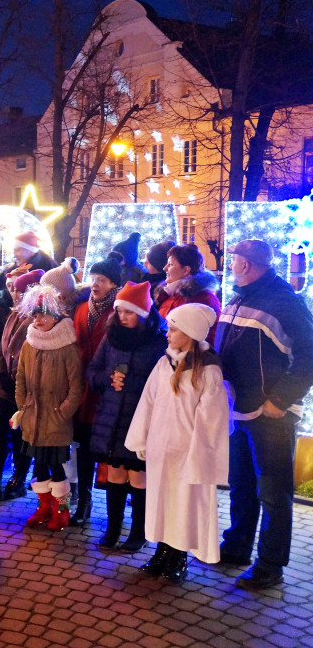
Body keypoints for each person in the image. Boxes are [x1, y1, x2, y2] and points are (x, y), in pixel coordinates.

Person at [217, 239, 313, 590]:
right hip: (240, 410)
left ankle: (270, 565)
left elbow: (309, 355)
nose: (230, 264)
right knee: (241, 484)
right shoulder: (239, 296)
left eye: (234, 259)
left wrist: (280, 400)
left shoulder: (285, 302)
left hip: (271, 415)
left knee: (273, 492)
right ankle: (237, 547)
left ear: (247, 264)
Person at [125, 304, 229, 584]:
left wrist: (199, 457)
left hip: (187, 453)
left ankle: (178, 555)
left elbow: (211, 421)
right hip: (162, 449)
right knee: (161, 502)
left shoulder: (207, 371)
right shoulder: (164, 363)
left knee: (184, 505)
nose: (167, 334)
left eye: (173, 329)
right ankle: (161, 551)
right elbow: (149, 401)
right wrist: (142, 436)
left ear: (191, 333)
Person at [87, 282, 167, 552]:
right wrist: (108, 379)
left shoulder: (158, 341)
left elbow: (163, 383)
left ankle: (138, 531)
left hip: (141, 418)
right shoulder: (112, 337)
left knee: (138, 476)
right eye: (119, 311)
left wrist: (133, 381)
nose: (122, 316)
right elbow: (93, 371)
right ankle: (113, 527)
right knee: (115, 474)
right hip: (112, 416)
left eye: (128, 312)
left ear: (143, 313)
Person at [15, 285, 83, 532]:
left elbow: (76, 387)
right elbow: (20, 377)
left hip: (55, 421)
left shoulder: (67, 348)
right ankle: (44, 507)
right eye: (35, 315)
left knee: (56, 467)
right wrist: (22, 405)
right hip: (33, 418)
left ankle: (62, 510)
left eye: (44, 315)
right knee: (39, 465)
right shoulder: (29, 344)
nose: (39, 320)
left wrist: (62, 413)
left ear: (56, 316)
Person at [0, 268, 42, 503]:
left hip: (24, 388)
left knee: (20, 435)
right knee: (0, 432)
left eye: (19, 290)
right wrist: (1, 374)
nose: (13, 293)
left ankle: (18, 480)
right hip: (6, 387)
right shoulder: (13, 315)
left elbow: (31, 354)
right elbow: (2, 350)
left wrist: (18, 379)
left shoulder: (36, 319)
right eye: (11, 288)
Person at [70, 251, 123, 526]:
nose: (95, 284)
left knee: (104, 447)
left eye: (101, 279)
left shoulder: (118, 312)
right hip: (81, 387)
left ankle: (114, 508)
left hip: (105, 390)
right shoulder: (81, 308)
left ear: (114, 284)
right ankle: (84, 499)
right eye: (93, 278)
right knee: (81, 445)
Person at [154, 243, 220, 345]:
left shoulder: (203, 299)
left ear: (185, 270)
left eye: (170, 264)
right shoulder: (169, 295)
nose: (165, 268)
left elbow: (208, 339)